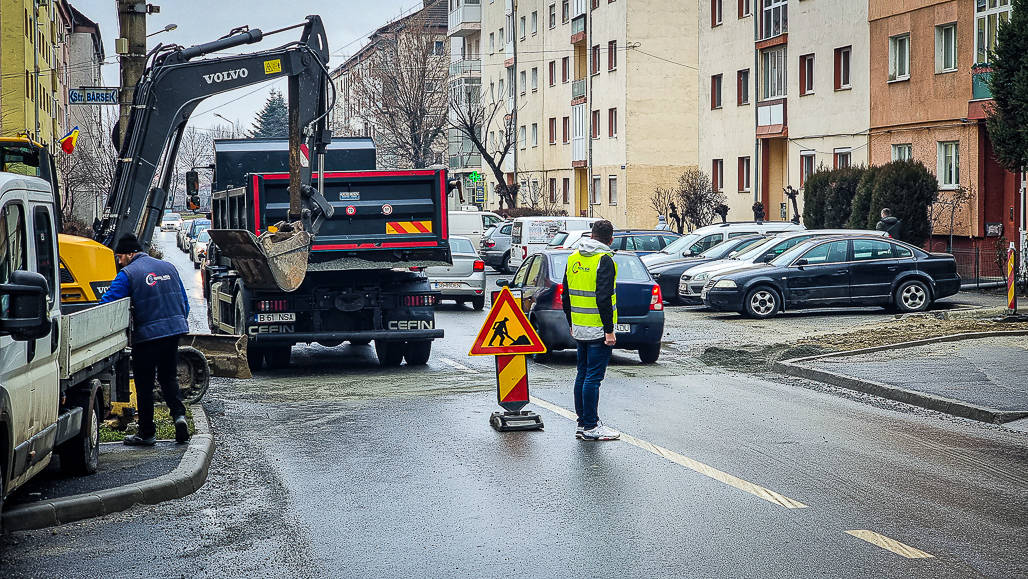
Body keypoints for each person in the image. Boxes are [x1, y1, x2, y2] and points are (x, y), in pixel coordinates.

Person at [100, 234, 191, 445]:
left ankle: (147, 432)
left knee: (144, 384)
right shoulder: (169, 267)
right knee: (169, 378)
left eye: (120, 257)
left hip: (147, 337)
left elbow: (107, 303)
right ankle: (179, 416)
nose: (119, 262)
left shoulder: (128, 274)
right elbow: (184, 303)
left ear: (130, 254)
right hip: (172, 333)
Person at [561, 220, 620, 441]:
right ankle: (591, 426)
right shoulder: (604, 260)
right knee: (593, 378)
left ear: (592, 236)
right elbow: (603, 297)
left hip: (579, 327)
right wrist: (609, 330)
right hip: (597, 329)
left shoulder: (573, 257)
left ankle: (582, 423)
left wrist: (571, 322)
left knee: (582, 374)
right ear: (610, 239)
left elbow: (565, 294)